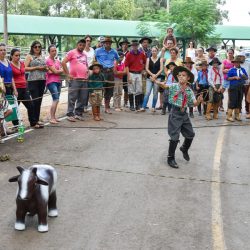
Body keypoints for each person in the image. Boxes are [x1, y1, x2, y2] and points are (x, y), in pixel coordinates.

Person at [156, 66, 202, 168]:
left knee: (190, 134)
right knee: (174, 137)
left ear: (188, 78)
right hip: (175, 114)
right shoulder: (173, 86)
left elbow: (193, 103)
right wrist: (156, 81)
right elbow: (164, 86)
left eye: (183, 75)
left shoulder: (189, 91)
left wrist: (198, 101)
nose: (181, 77)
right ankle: (170, 158)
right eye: (179, 75)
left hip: (184, 114)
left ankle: (184, 148)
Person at [62, 39, 89, 122]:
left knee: (83, 97)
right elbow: (63, 62)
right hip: (74, 79)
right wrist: (67, 74)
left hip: (84, 79)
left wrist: (87, 74)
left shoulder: (84, 54)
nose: (82, 47)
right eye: (80, 45)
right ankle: (70, 114)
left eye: (83, 46)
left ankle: (78, 113)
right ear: (77, 45)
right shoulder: (72, 52)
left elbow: (86, 65)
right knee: (72, 97)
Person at [10, 48, 37, 128]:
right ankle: (16, 125)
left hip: (24, 88)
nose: (18, 57)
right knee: (15, 108)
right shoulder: (10, 65)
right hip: (16, 89)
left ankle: (33, 123)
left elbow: (24, 74)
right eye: (16, 55)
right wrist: (14, 90)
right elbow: (11, 78)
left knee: (31, 105)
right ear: (11, 56)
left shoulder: (21, 63)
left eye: (19, 55)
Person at [25, 41, 47, 128]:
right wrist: (37, 67)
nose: (37, 48)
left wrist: (45, 68)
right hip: (33, 81)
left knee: (39, 101)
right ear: (32, 48)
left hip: (42, 80)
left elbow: (45, 68)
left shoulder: (42, 57)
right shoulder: (29, 56)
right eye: (35, 47)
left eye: (39, 46)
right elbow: (25, 68)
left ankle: (37, 120)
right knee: (35, 101)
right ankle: (33, 122)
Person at [95, 36, 119, 114]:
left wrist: (115, 67)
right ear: (103, 44)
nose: (107, 44)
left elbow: (118, 59)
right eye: (106, 43)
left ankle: (106, 107)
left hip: (110, 72)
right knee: (99, 88)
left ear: (111, 44)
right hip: (102, 71)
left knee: (109, 89)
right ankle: (96, 107)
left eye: (109, 43)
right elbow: (93, 59)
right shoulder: (98, 51)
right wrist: (96, 68)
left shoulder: (114, 51)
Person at [0, 43, 19, 130]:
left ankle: (11, 127)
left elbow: (11, 77)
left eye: (4, 50)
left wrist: (15, 89)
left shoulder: (7, 61)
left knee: (11, 107)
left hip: (9, 87)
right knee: (4, 109)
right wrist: (2, 88)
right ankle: (3, 129)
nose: (3, 51)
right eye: (1, 50)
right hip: (1, 89)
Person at [139, 46, 163, 112]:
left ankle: (153, 107)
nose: (154, 52)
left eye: (155, 51)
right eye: (152, 51)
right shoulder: (148, 59)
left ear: (157, 51)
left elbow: (161, 69)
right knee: (147, 92)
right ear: (151, 51)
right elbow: (146, 68)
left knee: (155, 93)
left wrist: (155, 76)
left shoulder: (160, 59)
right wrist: (152, 75)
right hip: (149, 78)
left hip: (157, 78)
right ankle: (143, 107)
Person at [125, 40, 146, 111]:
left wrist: (143, 70)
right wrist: (128, 76)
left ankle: (137, 106)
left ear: (137, 46)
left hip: (139, 73)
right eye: (133, 45)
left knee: (139, 90)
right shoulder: (128, 54)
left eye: (136, 45)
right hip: (131, 73)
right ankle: (131, 105)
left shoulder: (142, 54)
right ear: (132, 46)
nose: (135, 47)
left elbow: (144, 63)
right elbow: (126, 66)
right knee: (131, 89)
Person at [46, 45, 64, 124]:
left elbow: (61, 70)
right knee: (55, 98)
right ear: (49, 52)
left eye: (55, 50)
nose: (54, 52)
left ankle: (54, 117)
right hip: (51, 81)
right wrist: (57, 71)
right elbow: (57, 71)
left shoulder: (57, 61)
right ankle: (52, 118)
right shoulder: (48, 60)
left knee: (56, 100)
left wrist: (55, 71)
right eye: (52, 51)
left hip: (58, 81)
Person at [227, 56, 248, 121]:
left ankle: (237, 115)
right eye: (235, 62)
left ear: (240, 63)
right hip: (233, 87)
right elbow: (227, 78)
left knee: (239, 101)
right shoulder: (231, 70)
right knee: (232, 101)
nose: (236, 64)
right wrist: (234, 77)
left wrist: (244, 76)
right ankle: (229, 116)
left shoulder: (243, 69)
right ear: (234, 63)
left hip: (241, 87)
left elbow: (246, 78)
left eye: (238, 62)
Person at [119, 39, 130, 107]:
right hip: (119, 72)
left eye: (126, 44)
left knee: (126, 88)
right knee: (118, 88)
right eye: (123, 44)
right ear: (121, 45)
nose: (124, 46)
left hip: (126, 72)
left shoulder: (129, 53)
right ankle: (117, 102)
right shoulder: (118, 52)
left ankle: (126, 101)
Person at [0, 78, 12, 143]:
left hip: (1, 102)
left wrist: (1, 88)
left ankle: (0, 136)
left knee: (1, 119)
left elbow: (4, 91)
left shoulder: (0, 79)